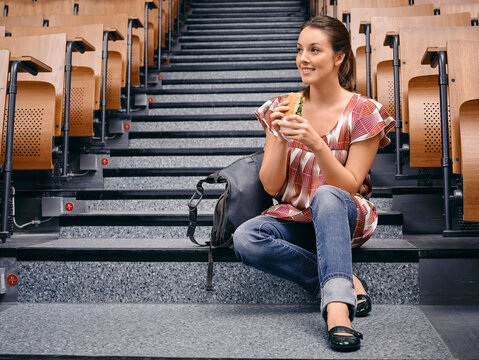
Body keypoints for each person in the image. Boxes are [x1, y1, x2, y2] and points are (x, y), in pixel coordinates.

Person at [233, 16, 395, 352]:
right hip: (295, 216)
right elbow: (273, 186)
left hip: (344, 215)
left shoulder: (363, 111)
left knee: (327, 195)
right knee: (246, 238)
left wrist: (318, 145)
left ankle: (337, 311)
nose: (303, 58)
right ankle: (342, 281)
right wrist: (277, 136)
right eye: (299, 50)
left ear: (339, 57)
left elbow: (348, 186)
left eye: (314, 50)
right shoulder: (284, 106)